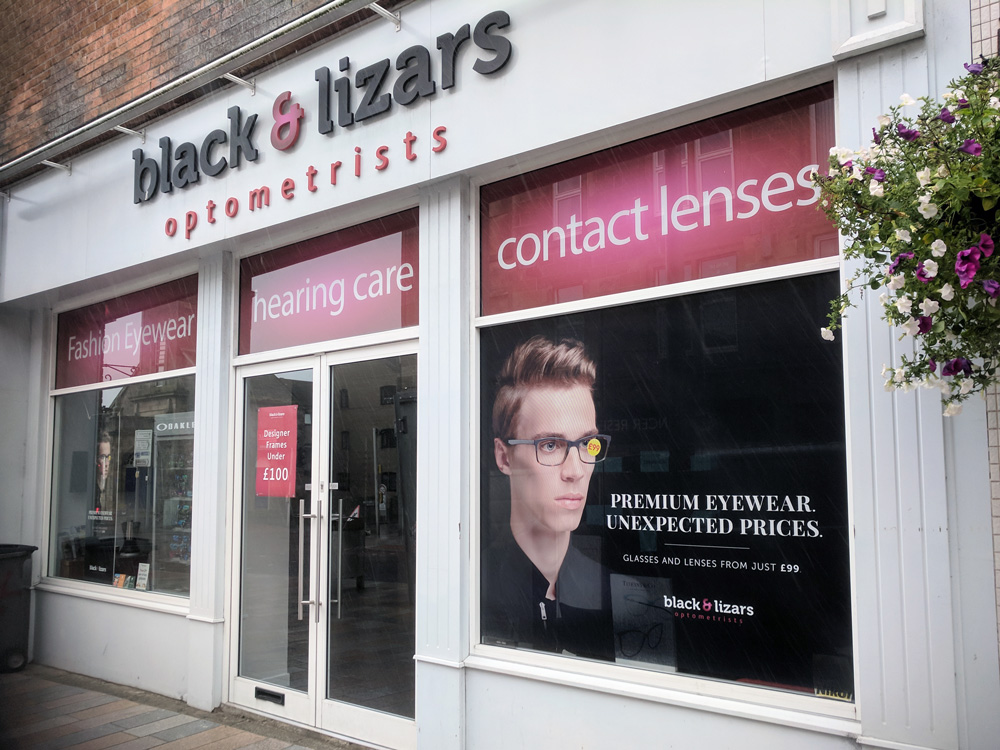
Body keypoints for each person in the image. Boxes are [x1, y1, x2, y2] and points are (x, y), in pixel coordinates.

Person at [482, 335, 614, 659]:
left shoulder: (606, 588)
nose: (576, 471)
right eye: (551, 445)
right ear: (505, 457)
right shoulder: (476, 587)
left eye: (587, 445)